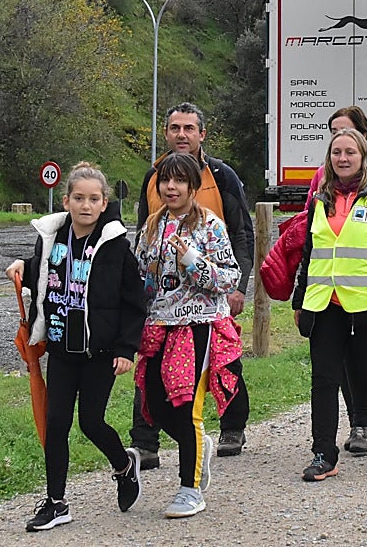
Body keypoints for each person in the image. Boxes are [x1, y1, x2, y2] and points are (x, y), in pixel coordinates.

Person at [7, 163, 146, 532]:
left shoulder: (116, 247)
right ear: (66, 200)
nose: (86, 205)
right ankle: (56, 502)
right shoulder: (52, 238)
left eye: (94, 199)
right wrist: (23, 265)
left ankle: (124, 465)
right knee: (56, 423)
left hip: (100, 352)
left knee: (90, 422)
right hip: (61, 349)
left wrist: (125, 349)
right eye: (79, 198)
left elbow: (134, 302)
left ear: (104, 205)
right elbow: (43, 274)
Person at [131, 103, 253, 466]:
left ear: (202, 134)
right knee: (151, 369)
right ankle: (146, 442)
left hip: (211, 294)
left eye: (188, 128)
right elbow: (141, 235)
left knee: (224, 361)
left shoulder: (222, 176)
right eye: (174, 128)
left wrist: (238, 288)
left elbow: (242, 235)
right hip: (161, 307)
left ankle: (232, 426)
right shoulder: (152, 178)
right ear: (165, 133)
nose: (181, 134)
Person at [293, 128, 367, 481]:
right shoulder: (319, 199)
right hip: (324, 302)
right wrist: (300, 299)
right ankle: (324, 453)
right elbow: (310, 253)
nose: (343, 159)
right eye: (337, 153)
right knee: (324, 379)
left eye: (350, 153)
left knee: (366, 377)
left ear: (363, 157)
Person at [134, 152, 241, 518]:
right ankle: (197, 448)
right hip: (158, 325)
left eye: (179, 181)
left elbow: (230, 278)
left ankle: (189, 489)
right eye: (165, 180)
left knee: (186, 405)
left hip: (199, 325)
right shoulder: (151, 225)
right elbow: (140, 280)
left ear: (193, 186)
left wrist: (194, 262)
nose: (171, 187)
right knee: (156, 402)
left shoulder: (210, 225)